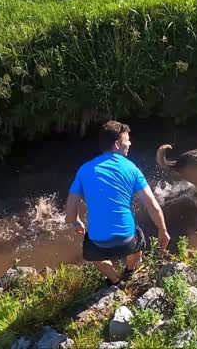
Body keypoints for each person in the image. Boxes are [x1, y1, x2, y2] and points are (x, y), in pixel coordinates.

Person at [65, 120, 170, 287]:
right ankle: (130, 271)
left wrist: (75, 222)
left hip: (98, 243)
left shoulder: (84, 170)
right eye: (126, 140)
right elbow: (153, 206)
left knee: (93, 254)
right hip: (127, 240)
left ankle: (114, 280)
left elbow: (70, 210)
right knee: (138, 242)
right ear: (116, 144)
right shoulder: (132, 169)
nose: (129, 143)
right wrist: (163, 231)